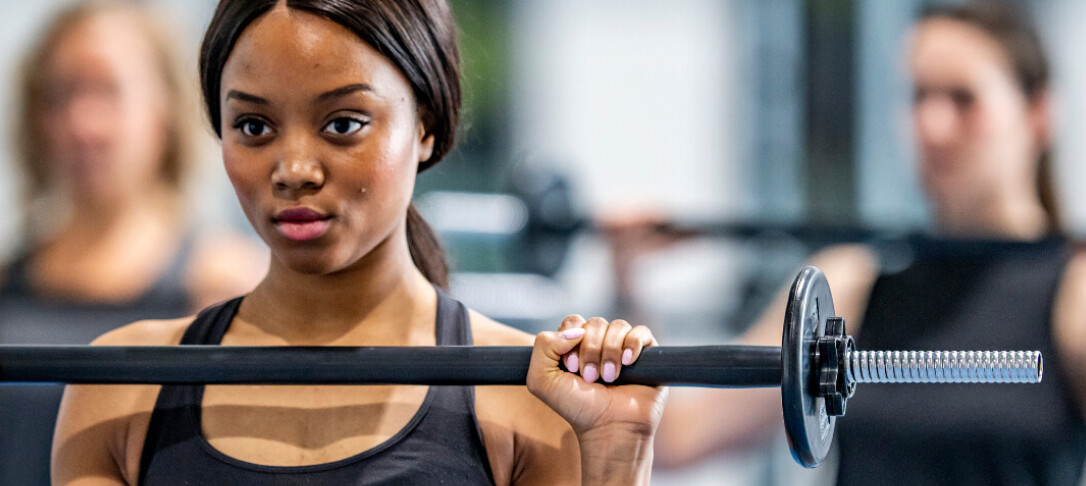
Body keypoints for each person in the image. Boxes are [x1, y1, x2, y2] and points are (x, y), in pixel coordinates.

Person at [52, 1, 666, 484]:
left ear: (425, 124)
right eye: (253, 126)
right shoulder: (119, 389)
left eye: (343, 124)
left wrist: (618, 459)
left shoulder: (530, 397)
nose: (293, 168)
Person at [651, 2, 1086, 485]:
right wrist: (631, 273)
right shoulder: (852, 285)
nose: (933, 126)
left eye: (964, 99)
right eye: (920, 96)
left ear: (1039, 112)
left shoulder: (1075, 295)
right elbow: (675, 438)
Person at [0, 2, 263, 484]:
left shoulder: (227, 286)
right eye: (61, 95)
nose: (83, 125)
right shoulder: (5, 281)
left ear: (164, 109)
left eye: (110, 92)